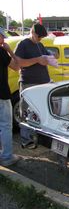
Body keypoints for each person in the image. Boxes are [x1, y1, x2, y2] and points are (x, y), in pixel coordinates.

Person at [15, 23, 50, 149]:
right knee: (25, 112)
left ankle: (37, 136)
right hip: (28, 83)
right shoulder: (23, 44)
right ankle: (26, 140)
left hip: (43, 83)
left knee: (39, 111)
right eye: (38, 36)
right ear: (32, 32)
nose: (40, 39)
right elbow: (17, 63)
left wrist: (51, 58)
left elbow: (46, 56)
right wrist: (37, 60)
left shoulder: (40, 45)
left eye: (41, 38)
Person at [0, 29, 21, 166]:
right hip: (2, 94)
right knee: (6, 125)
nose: (4, 40)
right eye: (2, 37)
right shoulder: (1, 52)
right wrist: (10, 51)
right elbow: (17, 66)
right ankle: (7, 157)